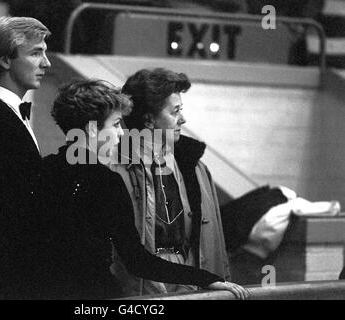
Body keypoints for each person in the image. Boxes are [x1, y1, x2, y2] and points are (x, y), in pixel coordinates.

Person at [40, 79, 249, 299]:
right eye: (116, 124)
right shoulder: (107, 181)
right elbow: (138, 261)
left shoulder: (43, 169)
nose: (122, 133)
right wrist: (205, 278)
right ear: (92, 128)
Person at [108, 68, 230, 296]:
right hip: (138, 285)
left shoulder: (195, 168)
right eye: (175, 111)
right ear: (149, 119)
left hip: (191, 279)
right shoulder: (114, 169)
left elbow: (215, 244)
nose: (183, 119)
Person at [0, 16, 51, 299]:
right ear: (5, 60)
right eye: (36, 53)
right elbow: (20, 215)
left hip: (13, 270)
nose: (46, 63)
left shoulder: (5, 117)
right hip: (10, 276)